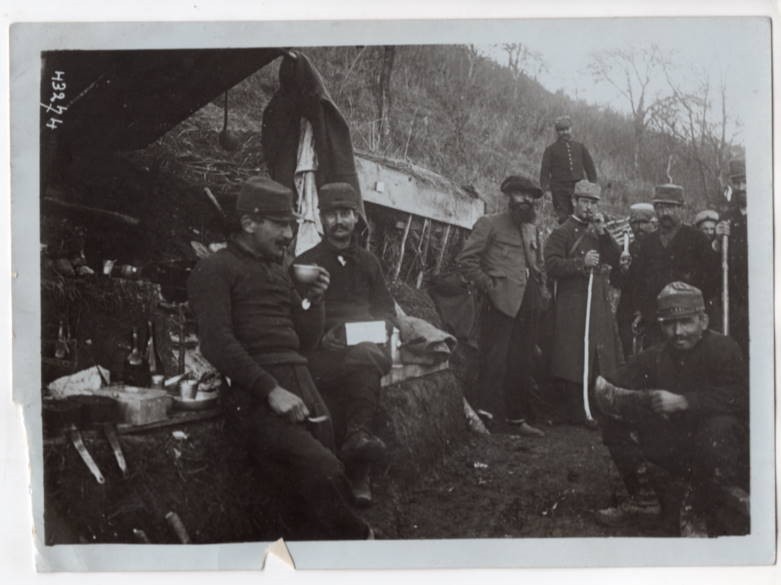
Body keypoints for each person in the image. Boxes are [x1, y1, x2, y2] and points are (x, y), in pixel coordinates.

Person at [187, 176, 373, 540]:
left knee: (329, 472)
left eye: (291, 224)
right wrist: (271, 391)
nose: (289, 234)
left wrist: (314, 300)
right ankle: (361, 542)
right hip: (254, 394)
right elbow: (216, 342)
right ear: (249, 223)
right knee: (323, 470)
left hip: (300, 381)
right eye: (280, 224)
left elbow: (304, 340)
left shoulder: (279, 272)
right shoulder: (215, 269)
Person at [595, 282, 749, 536]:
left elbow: (740, 397)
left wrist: (684, 401)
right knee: (616, 415)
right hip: (677, 444)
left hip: (721, 450)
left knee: (719, 428)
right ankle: (645, 499)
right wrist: (611, 391)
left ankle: (702, 506)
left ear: (703, 320)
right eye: (669, 323)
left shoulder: (724, 349)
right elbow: (614, 383)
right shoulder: (656, 355)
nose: (678, 332)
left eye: (686, 322)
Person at [294, 182, 395, 506]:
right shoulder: (306, 264)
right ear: (321, 219)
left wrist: (370, 331)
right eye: (332, 214)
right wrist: (321, 332)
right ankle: (356, 456)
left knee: (365, 356)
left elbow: (386, 312)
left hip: (365, 346)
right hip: (323, 353)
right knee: (360, 373)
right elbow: (296, 313)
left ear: (356, 219)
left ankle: (357, 465)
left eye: (346, 214)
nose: (339, 222)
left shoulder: (369, 263)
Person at [456, 174, 548, 437]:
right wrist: (490, 286)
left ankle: (516, 419)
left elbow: (535, 265)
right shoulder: (489, 224)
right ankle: (484, 416)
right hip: (500, 304)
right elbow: (466, 261)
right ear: (509, 196)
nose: (526, 200)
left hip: (528, 304)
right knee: (494, 361)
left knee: (522, 361)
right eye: (521, 194)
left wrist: (539, 292)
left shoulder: (531, 229)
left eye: (531, 196)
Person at [543, 180, 622, 427]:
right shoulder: (562, 233)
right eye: (584, 202)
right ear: (574, 202)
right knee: (572, 354)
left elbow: (615, 260)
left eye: (593, 203)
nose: (588, 208)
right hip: (572, 304)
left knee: (599, 352)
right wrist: (581, 263)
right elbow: (552, 265)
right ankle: (574, 408)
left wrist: (604, 235)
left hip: (597, 300)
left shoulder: (599, 232)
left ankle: (596, 405)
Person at [623, 183, 718, 348]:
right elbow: (636, 282)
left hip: (689, 321)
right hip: (656, 322)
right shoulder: (647, 243)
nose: (666, 213)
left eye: (671, 208)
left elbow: (711, 279)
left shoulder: (697, 240)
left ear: (681, 208)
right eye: (661, 208)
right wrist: (642, 311)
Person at [714, 159, 749, 356]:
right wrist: (717, 239)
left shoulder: (770, 211)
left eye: (745, 181)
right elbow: (716, 260)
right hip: (735, 298)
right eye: (737, 183)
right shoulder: (727, 217)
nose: (741, 188)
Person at [613, 202, 657, 358]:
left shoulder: (660, 249)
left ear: (654, 223)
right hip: (628, 311)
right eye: (635, 223)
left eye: (644, 223)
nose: (639, 228)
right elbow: (617, 284)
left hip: (653, 311)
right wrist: (622, 270)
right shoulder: (626, 250)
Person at [540, 116, 598, 224]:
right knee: (564, 217)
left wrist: (593, 184)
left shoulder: (580, 147)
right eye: (561, 130)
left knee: (581, 215)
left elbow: (590, 167)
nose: (565, 132)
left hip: (578, 188)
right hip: (559, 189)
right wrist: (546, 190)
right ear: (557, 132)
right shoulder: (550, 150)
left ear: (571, 129)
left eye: (567, 129)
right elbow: (544, 172)